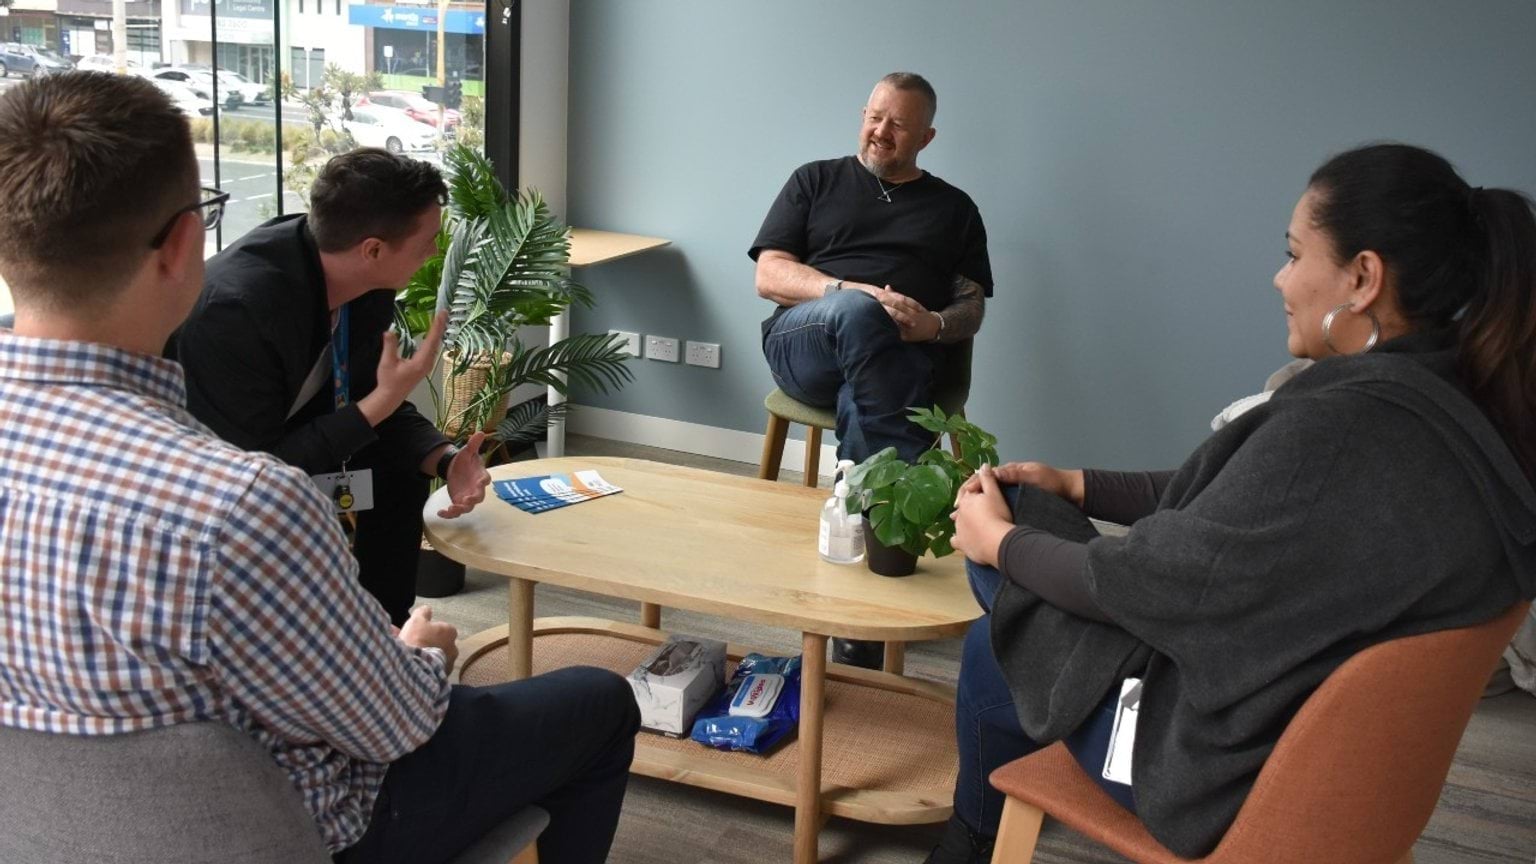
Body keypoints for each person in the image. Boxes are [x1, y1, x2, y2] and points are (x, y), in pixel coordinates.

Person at [0, 72, 639, 864]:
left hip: (60, 832)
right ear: (185, 244)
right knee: (599, 700)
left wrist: (437, 452)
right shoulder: (238, 503)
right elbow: (397, 725)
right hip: (303, 824)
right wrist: (420, 654)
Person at [926, 143, 1536, 863]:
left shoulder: (1341, 432)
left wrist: (998, 542)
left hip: (1216, 770)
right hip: (1333, 767)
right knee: (1017, 574)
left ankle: (970, 841)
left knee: (1000, 595)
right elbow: (1236, 504)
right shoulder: (1457, 406)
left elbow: (1145, 583)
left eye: (1294, 254)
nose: (1280, 277)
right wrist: (1078, 483)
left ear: (1363, 278)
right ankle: (972, 833)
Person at [169, 147, 490, 626]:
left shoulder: (363, 283)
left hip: (283, 444)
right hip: (216, 481)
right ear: (373, 250)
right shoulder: (237, 310)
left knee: (397, 469)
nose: (435, 251)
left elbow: (367, 398)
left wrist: (445, 458)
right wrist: (380, 402)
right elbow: (255, 470)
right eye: (428, 240)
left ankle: (387, 628)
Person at [750, 71, 994, 670]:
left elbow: (970, 307)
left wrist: (930, 325)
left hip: (896, 358)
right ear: (863, 116)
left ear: (926, 137)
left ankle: (855, 592)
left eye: (899, 124)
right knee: (862, 316)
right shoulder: (815, 180)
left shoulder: (955, 209)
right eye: (875, 116)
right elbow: (770, 275)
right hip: (806, 344)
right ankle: (890, 535)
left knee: (873, 381)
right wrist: (849, 291)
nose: (881, 131)